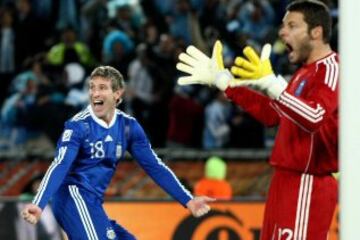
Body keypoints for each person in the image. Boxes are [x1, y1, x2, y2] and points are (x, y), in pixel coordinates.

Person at [176, 0, 338, 239]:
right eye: (283, 25)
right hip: (285, 180)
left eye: (292, 26)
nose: (282, 32)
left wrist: (273, 84)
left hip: (308, 183)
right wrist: (226, 83)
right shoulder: (305, 71)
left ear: (317, 32)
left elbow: (314, 116)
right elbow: (274, 114)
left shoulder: (332, 69)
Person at [21, 65, 215, 239]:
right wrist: (39, 203)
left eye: (102, 88)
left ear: (117, 94)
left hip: (93, 203)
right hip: (72, 197)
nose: (95, 93)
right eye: (92, 87)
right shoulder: (78, 127)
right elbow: (60, 164)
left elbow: (154, 166)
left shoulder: (128, 127)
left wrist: (188, 200)